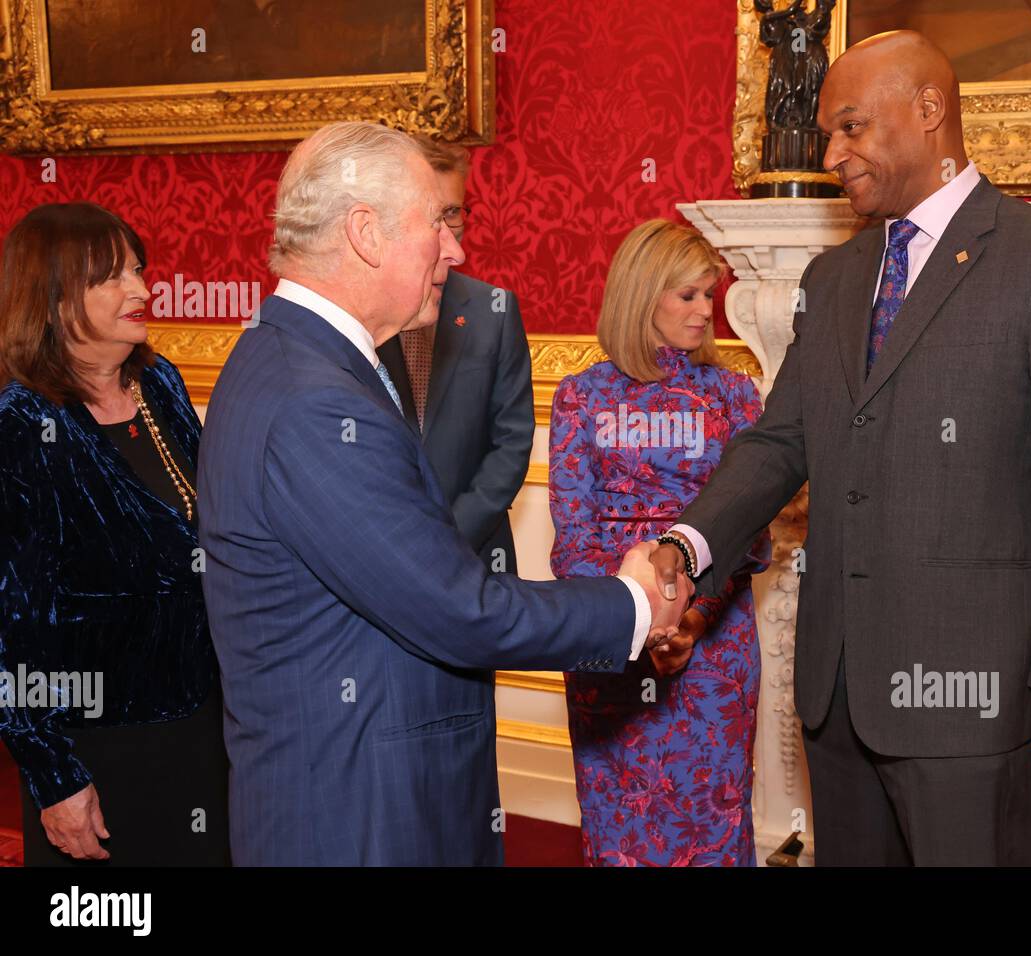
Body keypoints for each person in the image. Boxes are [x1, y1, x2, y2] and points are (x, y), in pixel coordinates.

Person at [650, 30, 1031, 866]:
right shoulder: (833, 278)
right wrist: (685, 545)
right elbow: (778, 443)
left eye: (849, 127)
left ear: (929, 111)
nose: (833, 153)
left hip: (971, 709)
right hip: (837, 696)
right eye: (826, 136)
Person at [198, 121, 689, 866]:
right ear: (366, 233)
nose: (455, 250)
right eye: (437, 222)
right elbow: (460, 608)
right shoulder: (314, 399)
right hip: (361, 813)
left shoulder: (291, 355)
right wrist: (631, 603)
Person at [0, 202, 228, 866]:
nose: (142, 289)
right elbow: (9, 625)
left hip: (201, 720)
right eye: (113, 277)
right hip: (97, 745)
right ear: (53, 295)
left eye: (139, 270)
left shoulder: (158, 382)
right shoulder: (21, 425)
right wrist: (53, 776)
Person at [550, 219, 771, 866]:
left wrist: (693, 618)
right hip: (609, 634)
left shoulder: (733, 395)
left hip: (715, 640)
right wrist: (641, 620)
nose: (707, 311)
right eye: (689, 296)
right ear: (643, 294)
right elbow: (574, 539)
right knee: (621, 821)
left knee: (713, 816)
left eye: (711, 294)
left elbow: (749, 533)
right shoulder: (581, 397)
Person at [375, 138, 532, 576]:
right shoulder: (369, 312)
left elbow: (512, 441)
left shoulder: (494, 310)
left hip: (478, 553)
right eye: (434, 214)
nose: (448, 228)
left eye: (455, 212)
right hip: (385, 553)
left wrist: (451, 535)